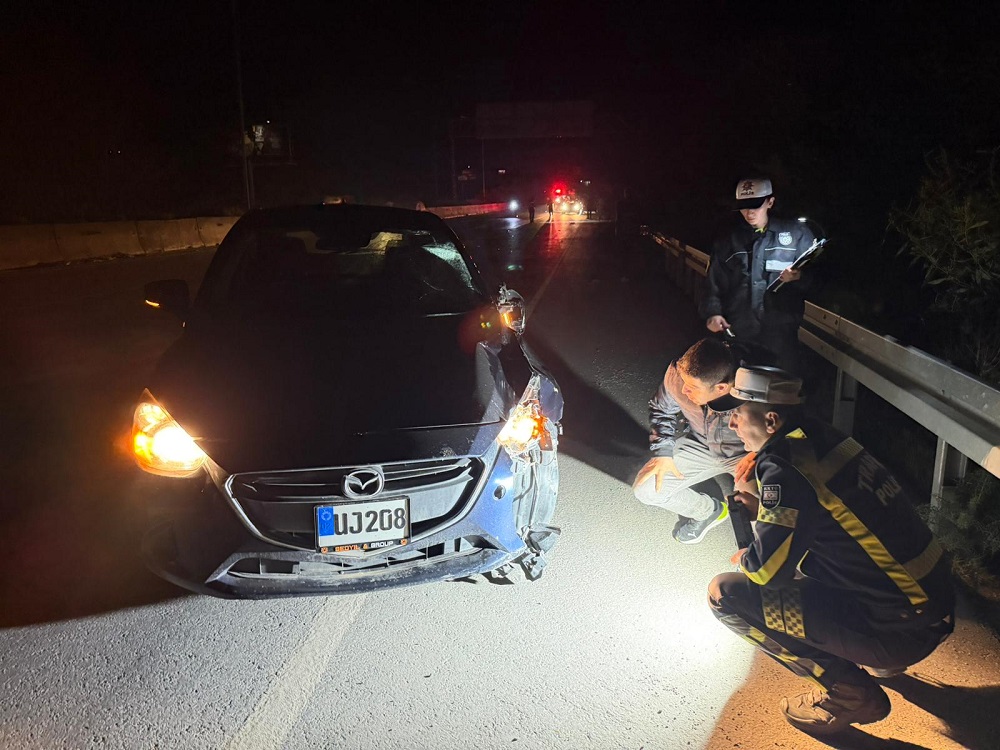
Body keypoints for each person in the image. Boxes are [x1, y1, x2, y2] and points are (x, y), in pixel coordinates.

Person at [707, 366, 955, 736]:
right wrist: (767, 510)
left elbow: (765, 572)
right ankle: (879, 658)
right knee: (811, 561)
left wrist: (748, 547)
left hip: (900, 631)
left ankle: (850, 694)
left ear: (771, 420)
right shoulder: (821, 437)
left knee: (725, 595)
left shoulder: (784, 469)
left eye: (739, 414)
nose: (732, 425)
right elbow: (830, 518)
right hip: (929, 605)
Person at [632, 338, 747, 543]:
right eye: (684, 382)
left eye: (692, 387)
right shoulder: (680, 374)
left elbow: (779, 436)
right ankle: (708, 511)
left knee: (763, 511)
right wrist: (663, 453)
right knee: (646, 490)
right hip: (702, 444)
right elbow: (662, 409)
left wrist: (761, 463)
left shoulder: (753, 395)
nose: (683, 390)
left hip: (744, 455)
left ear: (721, 388)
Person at [699, 178, 817, 373]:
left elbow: (819, 281)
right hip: (738, 332)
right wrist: (713, 312)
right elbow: (713, 283)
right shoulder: (728, 240)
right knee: (738, 388)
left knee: (779, 392)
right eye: (744, 207)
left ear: (770, 202)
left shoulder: (797, 234)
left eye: (755, 206)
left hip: (781, 333)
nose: (749, 212)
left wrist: (799, 278)